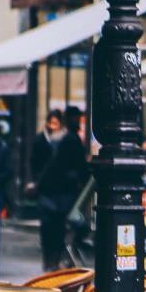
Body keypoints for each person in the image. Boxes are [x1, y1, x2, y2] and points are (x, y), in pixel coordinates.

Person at [30, 109, 87, 270]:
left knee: (53, 231)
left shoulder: (68, 139)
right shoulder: (62, 140)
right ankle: (53, 263)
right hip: (56, 193)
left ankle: (52, 263)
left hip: (55, 192)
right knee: (55, 230)